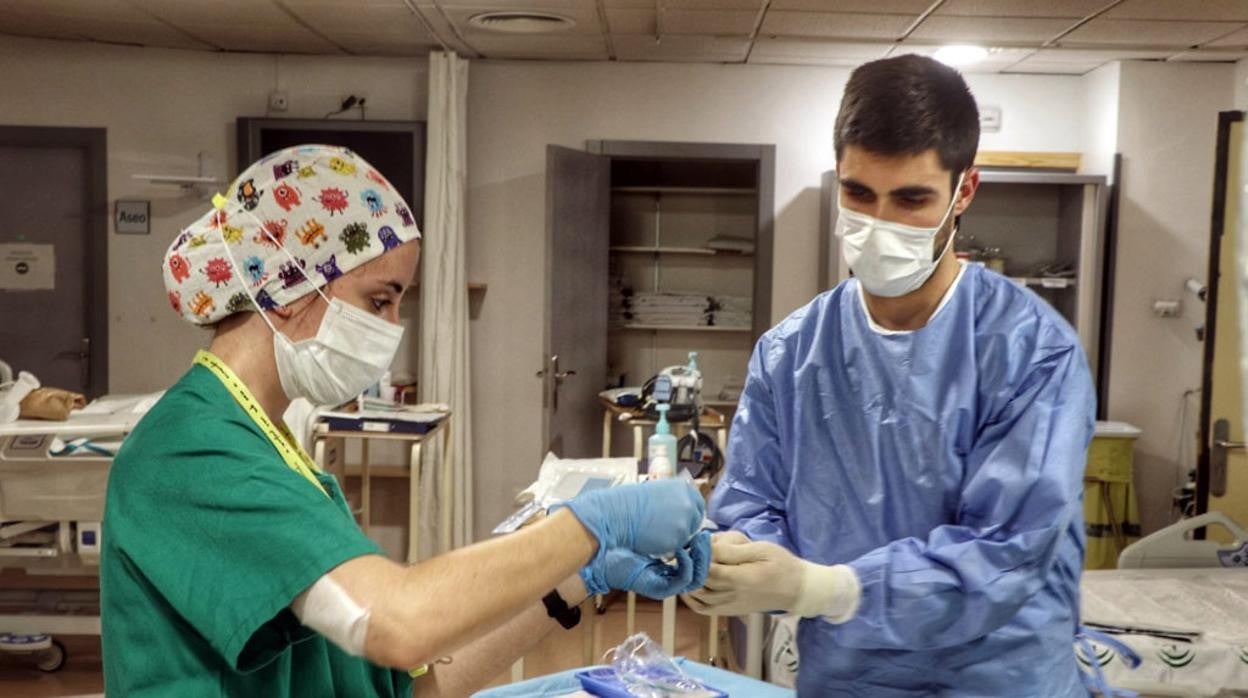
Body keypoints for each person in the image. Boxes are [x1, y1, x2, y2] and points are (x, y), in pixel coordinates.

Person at [100, 144, 711, 697]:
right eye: (379, 300)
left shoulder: (270, 442)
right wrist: (591, 526)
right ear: (287, 288)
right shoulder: (188, 452)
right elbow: (396, 623)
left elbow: (407, 683)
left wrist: (579, 578)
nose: (391, 330)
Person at [683, 55, 1095, 696]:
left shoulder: (1031, 353)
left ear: (964, 191)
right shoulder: (790, 353)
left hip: (994, 681)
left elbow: (1008, 550)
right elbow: (753, 507)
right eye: (858, 194)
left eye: (910, 199)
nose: (879, 223)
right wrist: (728, 562)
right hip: (845, 680)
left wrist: (830, 587)